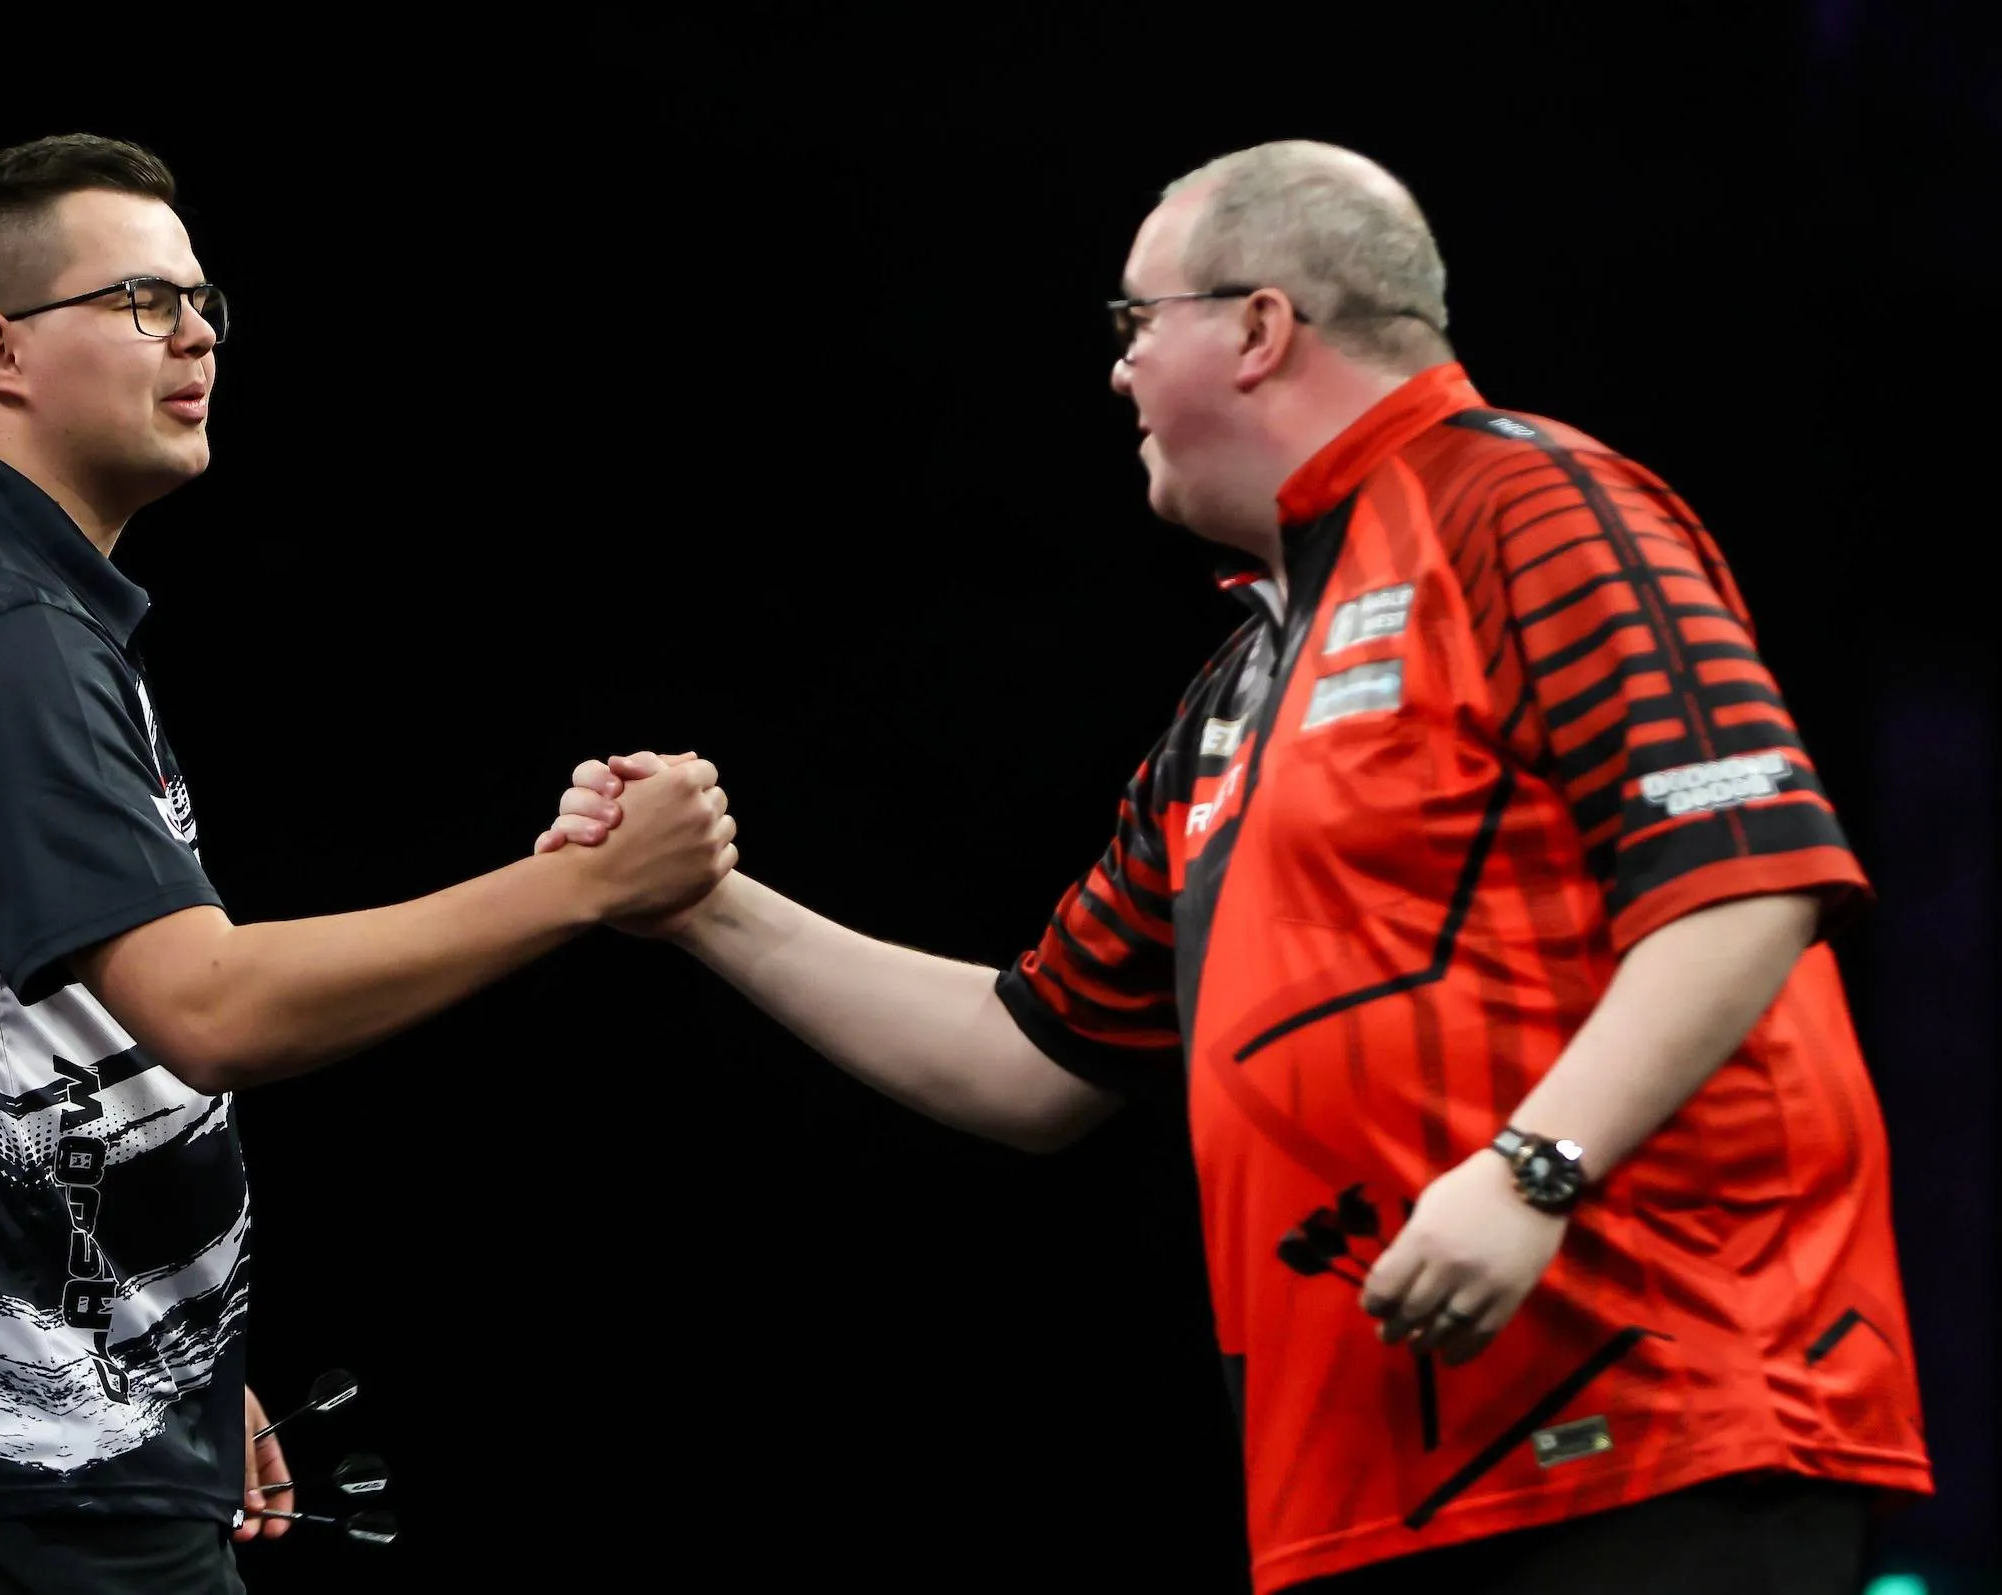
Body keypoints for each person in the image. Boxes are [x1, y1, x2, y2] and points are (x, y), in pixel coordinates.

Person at [538, 140, 1933, 1593]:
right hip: (1382, 1492)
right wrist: (698, 903)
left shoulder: (1525, 504)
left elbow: (1749, 878)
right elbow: (1029, 1060)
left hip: (1660, 1433)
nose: (1118, 372)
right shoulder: (1240, 691)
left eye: (1135, 323)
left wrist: (1536, 1170)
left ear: (1260, 327)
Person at [0, 132, 736, 1595]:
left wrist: (164, 1362)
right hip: (16, 1464)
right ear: (0, 351)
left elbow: (8, 1035)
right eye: (142, 300)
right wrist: (588, 882)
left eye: (202, 300)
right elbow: (210, 1009)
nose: (199, 333)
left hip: (25, 1430)